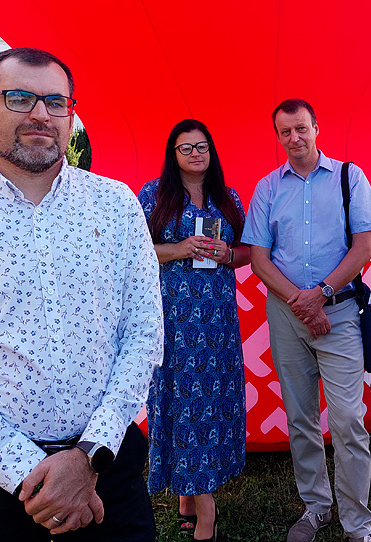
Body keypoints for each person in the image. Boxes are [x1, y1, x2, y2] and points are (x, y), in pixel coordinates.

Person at [0, 47, 163, 541]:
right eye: (20, 98)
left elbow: (144, 336)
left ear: (70, 113)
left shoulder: (117, 206)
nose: (41, 114)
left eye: (55, 102)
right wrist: (34, 474)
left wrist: (87, 459)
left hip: (107, 471)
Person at [243, 99, 371, 542]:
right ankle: (316, 507)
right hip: (286, 316)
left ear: (316, 128)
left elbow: (362, 249)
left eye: (301, 129)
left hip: (339, 313)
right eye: (285, 132)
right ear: (278, 137)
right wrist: (301, 304)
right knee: (301, 418)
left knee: (347, 421)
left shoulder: (349, 177)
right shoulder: (268, 187)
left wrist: (320, 297)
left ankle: (358, 523)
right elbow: (260, 259)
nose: (294, 139)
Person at [137, 119, 250, 542]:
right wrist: (180, 248)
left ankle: (191, 492)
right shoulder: (153, 194)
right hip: (173, 318)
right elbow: (137, 251)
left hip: (217, 321)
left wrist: (227, 254)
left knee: (211, 400)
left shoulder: (228, 196)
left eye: (202, 146)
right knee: (180, 397)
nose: (195, 154)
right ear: (173, 154)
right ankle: (203, 509)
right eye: (186, 148)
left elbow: (247, 255)